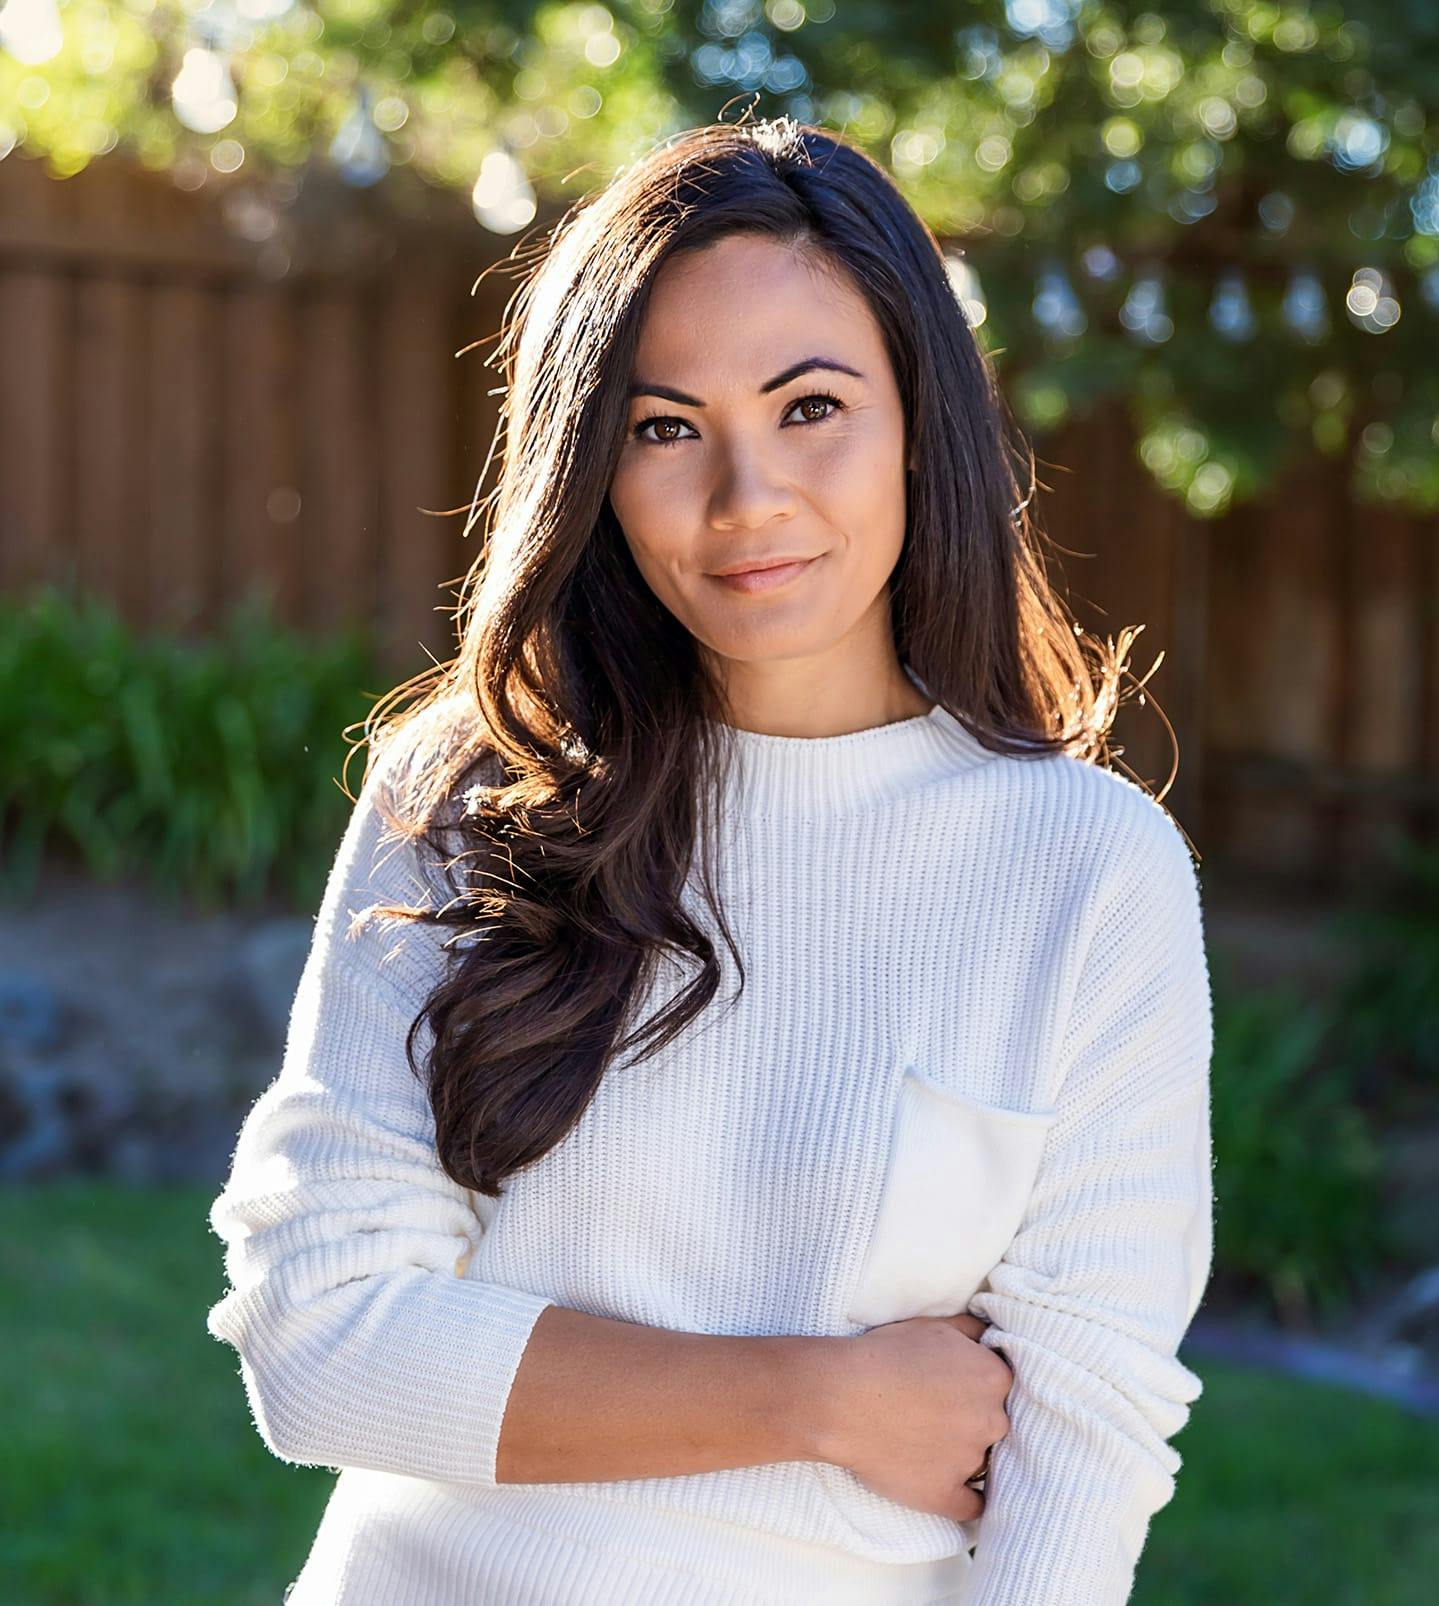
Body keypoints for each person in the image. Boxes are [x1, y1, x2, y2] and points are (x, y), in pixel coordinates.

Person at [206, 113, 1214, 1605]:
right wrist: (818, 1396)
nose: (746, 501)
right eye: (663, 427)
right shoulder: (475, 794)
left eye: (809, 407)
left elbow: (1082, 1430)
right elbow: (319, 1343)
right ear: (592, 469)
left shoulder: (1083, 867)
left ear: (919, 414)